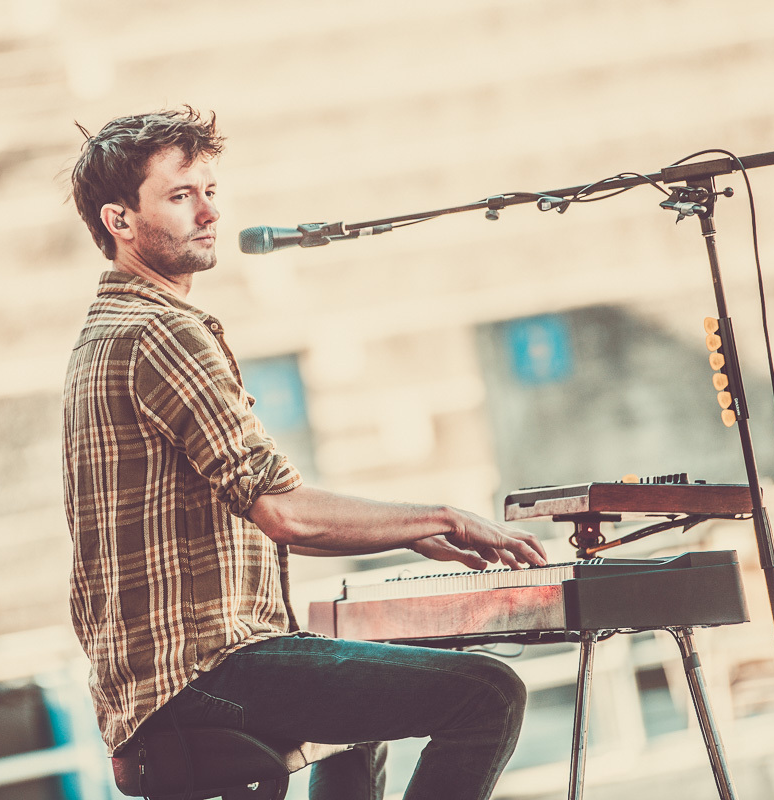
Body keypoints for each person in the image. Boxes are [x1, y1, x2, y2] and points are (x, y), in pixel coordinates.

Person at [63, 106, 548, 800]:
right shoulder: (161, 334)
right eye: (181, 196)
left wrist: (409, 533)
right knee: (488, 695)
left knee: (364, 710)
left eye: (211, 191)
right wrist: (444, 517)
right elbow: (283, 513)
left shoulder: (105, 332)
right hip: (200, 673)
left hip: (155, 686)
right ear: (120, 220)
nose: (209, 212)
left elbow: (274, 518)